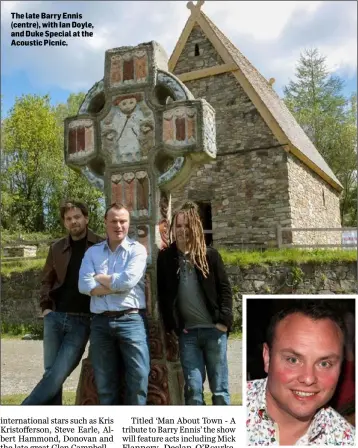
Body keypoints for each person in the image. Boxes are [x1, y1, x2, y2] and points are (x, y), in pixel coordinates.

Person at [22, 200, 103, 405]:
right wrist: (46, 308)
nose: (73, 221)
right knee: (51, 374)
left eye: (77, 217)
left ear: (86, 218)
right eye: (69, 219)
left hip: (82, 320)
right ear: (64, 223)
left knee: (57, 374)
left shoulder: (101, 245)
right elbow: (46, 279)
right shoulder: (57, 247)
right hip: (55, 317)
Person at [246, 300, 356, 446]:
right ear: (267, 358)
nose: (309, 378)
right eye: (293, 360)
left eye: (324, 363)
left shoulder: (347, 441)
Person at [157, 201, 233, 405]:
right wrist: (174, 326)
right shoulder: (166, 259)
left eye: (187, 226)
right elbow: (163, 295)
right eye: (179, 226)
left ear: (195, 227)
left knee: (219, 391)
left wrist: (224, 322)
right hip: (188, 334)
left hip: (214, 332)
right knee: (193, 391)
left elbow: (225, 290)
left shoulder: (210, 255)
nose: (182, 230)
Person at [78, 202, 149, 405]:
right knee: (105, 386)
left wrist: (99, 278)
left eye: (123, 221)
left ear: (129, 223)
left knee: (139, 379)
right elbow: (83, 285)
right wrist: (116, 284)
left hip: (131, 319)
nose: (119, 226)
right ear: (105, 223)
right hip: (100, 323)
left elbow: (127, 282)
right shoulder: (93, 253)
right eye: (114, 221)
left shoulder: (138, 250)